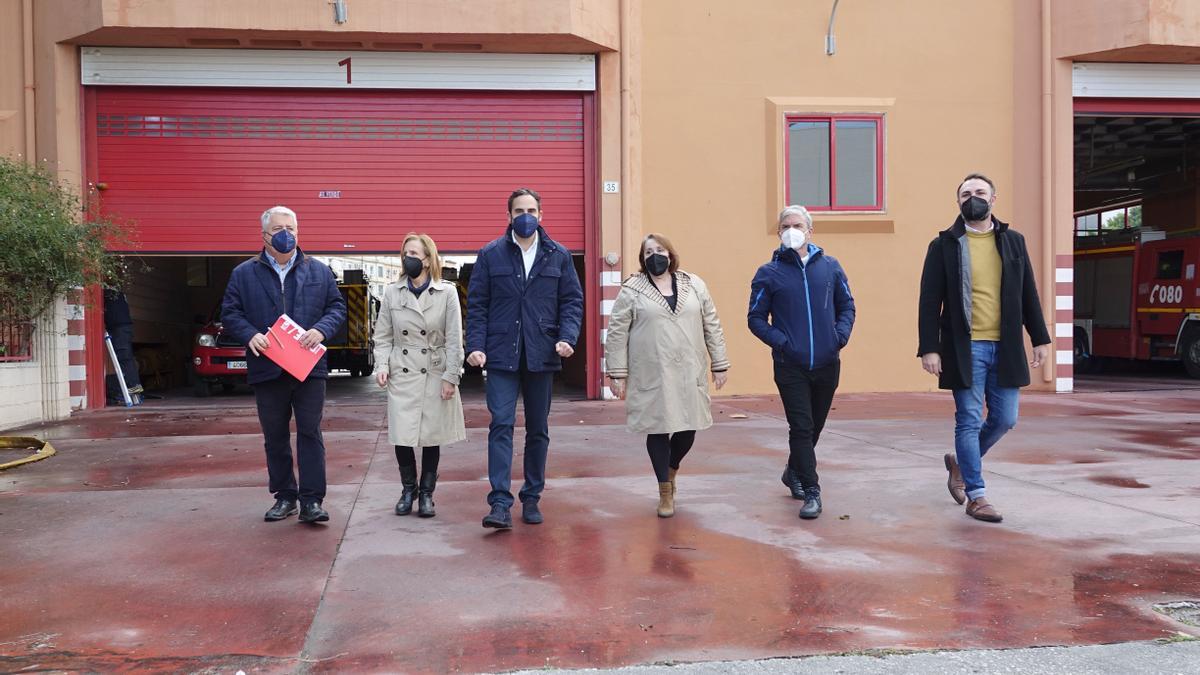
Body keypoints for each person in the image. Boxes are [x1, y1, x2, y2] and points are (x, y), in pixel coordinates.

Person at [918, 173, 1050, 523]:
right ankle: (977, 495)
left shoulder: (1013, 242)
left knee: (1006, 418)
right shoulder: (944, 244)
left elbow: (1028, 294)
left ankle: (961, 465)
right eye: (965, 194)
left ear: (994, 199)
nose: (972, 198)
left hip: (1005, 347)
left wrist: (1040, 337)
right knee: (969, 419)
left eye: (979, 192)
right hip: (965, 347)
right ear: (958, 201)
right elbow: (929, 301)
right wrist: (929, 348)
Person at [466, 187, 584, 530]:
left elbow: (572, 302)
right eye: (519, 211)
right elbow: (478, 305)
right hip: (501, 354)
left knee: (538, 429)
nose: (526, 216)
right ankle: (500, 503)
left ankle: (531, 497)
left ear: (541, 215)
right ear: (509, 216)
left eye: (531, 210)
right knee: (500, 424)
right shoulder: (491, 255)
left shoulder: (558, 255)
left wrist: (567, 337)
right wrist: (475, 345)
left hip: (541, 353)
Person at [221, 206, 346, 524]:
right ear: (264, 235)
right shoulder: (244, 273)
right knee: (274, 435)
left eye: (291, 227)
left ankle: (311, 500)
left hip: (308, 368)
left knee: (309, 432)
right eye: (279, 228)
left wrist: (321, 330)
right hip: (267, 367)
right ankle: (285, 496)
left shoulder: (318, 270)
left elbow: (337, 307)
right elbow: (231, 313)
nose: (286, 233)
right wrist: (249, 335)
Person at [604, 233, 730, 517]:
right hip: (652, 370)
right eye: (648, 252)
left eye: (659, 250)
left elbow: (712, 323)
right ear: (642, 258)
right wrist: (617, 373)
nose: (654, 256)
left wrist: (719, 363)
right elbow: (616, 333)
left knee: (688, 427)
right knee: (658, 427)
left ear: (671, 254)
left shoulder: (694, 284)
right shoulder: (632, 289)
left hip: (689, 368)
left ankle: (672, 471)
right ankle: (664, 491)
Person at [748, 205, 855, 520]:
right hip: (789, 364)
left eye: (796, 225)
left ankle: (793, 470)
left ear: (810, 230)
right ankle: (812, 491)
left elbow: (847, 306)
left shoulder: (831, 267)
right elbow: (755, 318)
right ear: (779, 233)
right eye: (784, 226)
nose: (790, 230)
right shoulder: (768, 273)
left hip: (826, 362)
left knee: (815, 426)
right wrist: (782, 343)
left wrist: (839, 337)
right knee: (802, 427)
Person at [373, 233, 466, 518]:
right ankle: (407, 490)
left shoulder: (447, 292)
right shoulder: (391, 292)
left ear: (428, 259)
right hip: (403, 370)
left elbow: (454, 339)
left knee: (430, 436)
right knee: (402, 434)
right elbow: (383, 335)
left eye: (414, 253)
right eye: (405, 253)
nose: (408, 258)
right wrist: (382, 366)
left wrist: (451, 376)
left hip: (435, 370)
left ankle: (426, 495)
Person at [103, 286, 143, 405]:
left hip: (119, 329)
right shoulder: (117, 293)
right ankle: (134, 389)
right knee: (126, 359)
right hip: (123, 328)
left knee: (124, 359)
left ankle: (133, 388)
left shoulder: (109, 294)